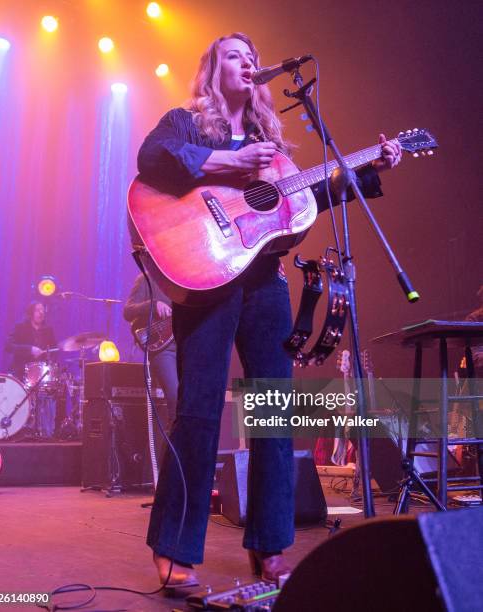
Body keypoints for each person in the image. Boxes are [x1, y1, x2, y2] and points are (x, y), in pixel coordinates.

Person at [135, 32, 402, 587]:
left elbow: (303, 198)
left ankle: (269, 543)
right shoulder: (185, 122)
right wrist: (229, 162)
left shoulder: (269, 143)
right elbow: (151, 159)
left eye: (251, 56)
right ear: (213, 69)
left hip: (264, 280)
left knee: (275, 413)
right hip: (208, 273)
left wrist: (370, 169)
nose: (248, 62)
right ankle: (174, 546)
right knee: (202, 408)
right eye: (235, 54)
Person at [123, 273, 178, 432]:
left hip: (184, 343)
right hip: (163, 348)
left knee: (188, 402)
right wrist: (154, 304)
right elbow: (127, 311)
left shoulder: (183, 280)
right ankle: (172, 453)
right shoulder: (146, 278)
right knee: (175, 399)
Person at [6, 302, 58, 438]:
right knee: (22, 400)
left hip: (43, 373)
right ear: (30, 313)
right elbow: (8, 346)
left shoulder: (48, 330)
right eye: (37, 310)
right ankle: (19, 428)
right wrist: (29, 349)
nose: (41, 312)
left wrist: (49, 356)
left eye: (43, 309)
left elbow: (54, 350)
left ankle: (45, 429)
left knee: (49, 395)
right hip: (22, 371)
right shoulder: (20, 327)